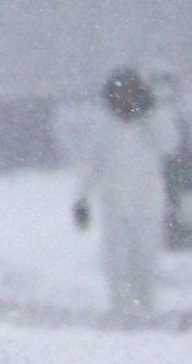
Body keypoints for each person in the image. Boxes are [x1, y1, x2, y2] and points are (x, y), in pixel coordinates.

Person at [73, 66, 181, 321]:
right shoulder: (104, 124)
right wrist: (81, 197)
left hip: (148, 201)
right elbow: (91, 163)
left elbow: (169, 145)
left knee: (147, 257)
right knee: (116, 257)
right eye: (120, 92)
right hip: (114, 203)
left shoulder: (153, 119)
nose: (125, 98)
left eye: (131, 92)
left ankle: (147, 307)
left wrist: (150, 114)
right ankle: (121, 308)